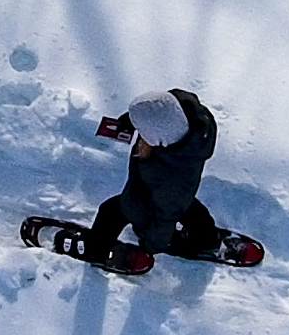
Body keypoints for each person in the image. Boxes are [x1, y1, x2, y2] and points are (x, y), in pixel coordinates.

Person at [83, 90, 223, 266]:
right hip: (170, 191)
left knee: (111, 211)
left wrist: (151, 245)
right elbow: (160, 108)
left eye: (143, 130)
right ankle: (207, 238)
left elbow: (165, 217)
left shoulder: (169, 178)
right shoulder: (188, 118)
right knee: (186, 206)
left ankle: (95, 252)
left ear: (156, 136)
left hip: (145, 199)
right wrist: (134, 120)